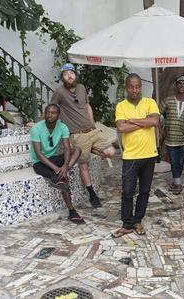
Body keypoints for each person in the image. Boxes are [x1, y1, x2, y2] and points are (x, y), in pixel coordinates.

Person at [50, 63, 116, 208]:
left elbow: (87, 106)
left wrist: (92, 123)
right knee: (84, 166)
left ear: (75, 75)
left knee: (111, 152)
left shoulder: (81, 88)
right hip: (77, 135)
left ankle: (91, 149)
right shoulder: (59, 92)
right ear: (62, 77)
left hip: (91, 130)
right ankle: (92, 195)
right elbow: (52, 110)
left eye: (71, 73)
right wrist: (40, 123)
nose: (69, 75)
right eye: (65, 73)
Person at [112, 73, 160, 238]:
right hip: (131, 156)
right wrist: (143, 121)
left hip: (149, 154)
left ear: (141, 87)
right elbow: (121, 128)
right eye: (131, 86)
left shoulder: (150, 102)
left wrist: (132, 121)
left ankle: (138, 220)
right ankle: (127, 224)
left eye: (137, 86)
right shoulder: (121, 106)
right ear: (127, 87)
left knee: (144, 191)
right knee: (127, 191)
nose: (134, 90)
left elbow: (154, 122)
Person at [30, 104, 85, 224]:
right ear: (44, 113)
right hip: (40, 162)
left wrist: (65, 165)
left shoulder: (63, 127)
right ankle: (72, 212)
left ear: (58, 115)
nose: (50, 115)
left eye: (53, 113)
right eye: (47, 112)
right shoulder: (36, 128)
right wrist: (56, 168)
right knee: (63, 180)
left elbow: (66, 148)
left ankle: (59, 176)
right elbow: (38, 154)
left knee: (77, 150)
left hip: (53, 158)